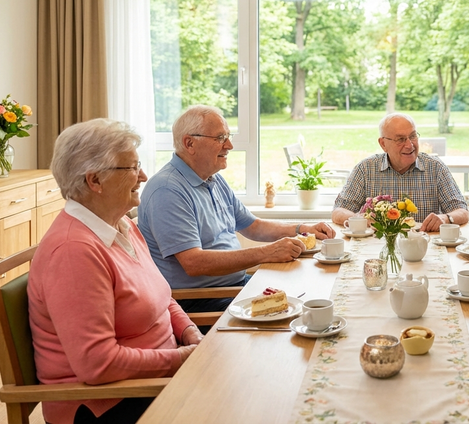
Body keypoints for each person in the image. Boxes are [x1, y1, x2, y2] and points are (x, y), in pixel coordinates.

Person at [28, 119, 203, 424]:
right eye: (133, 167)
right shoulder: (73, 251)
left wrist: (190, 333)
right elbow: (98, 364)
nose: (144, 176)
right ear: (95, 180)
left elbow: (163, 298)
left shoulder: (120, 224)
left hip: (152, 380)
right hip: (107, 402)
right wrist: (182, 359)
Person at [138, 105, 335, 313]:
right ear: (190, 143)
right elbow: (194, 263)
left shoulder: (213, 180)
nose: (229, 145)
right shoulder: (167, 190)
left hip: (234, 287)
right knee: (300, 312)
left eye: (228, 136)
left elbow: (254, 227)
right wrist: (267, 253)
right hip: (200, 300)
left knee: (313, 293)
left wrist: (303, 228)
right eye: (220, 138)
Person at [332, 113, 469, 232]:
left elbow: (462, 211)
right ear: (383, 144)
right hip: (377, 247)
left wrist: (445, 218)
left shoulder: (435, 168)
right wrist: (358, 219)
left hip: (424, 246)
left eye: (413, 136)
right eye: (401, 139)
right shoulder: (365, 169)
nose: (410, 145)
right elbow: (338, 211)